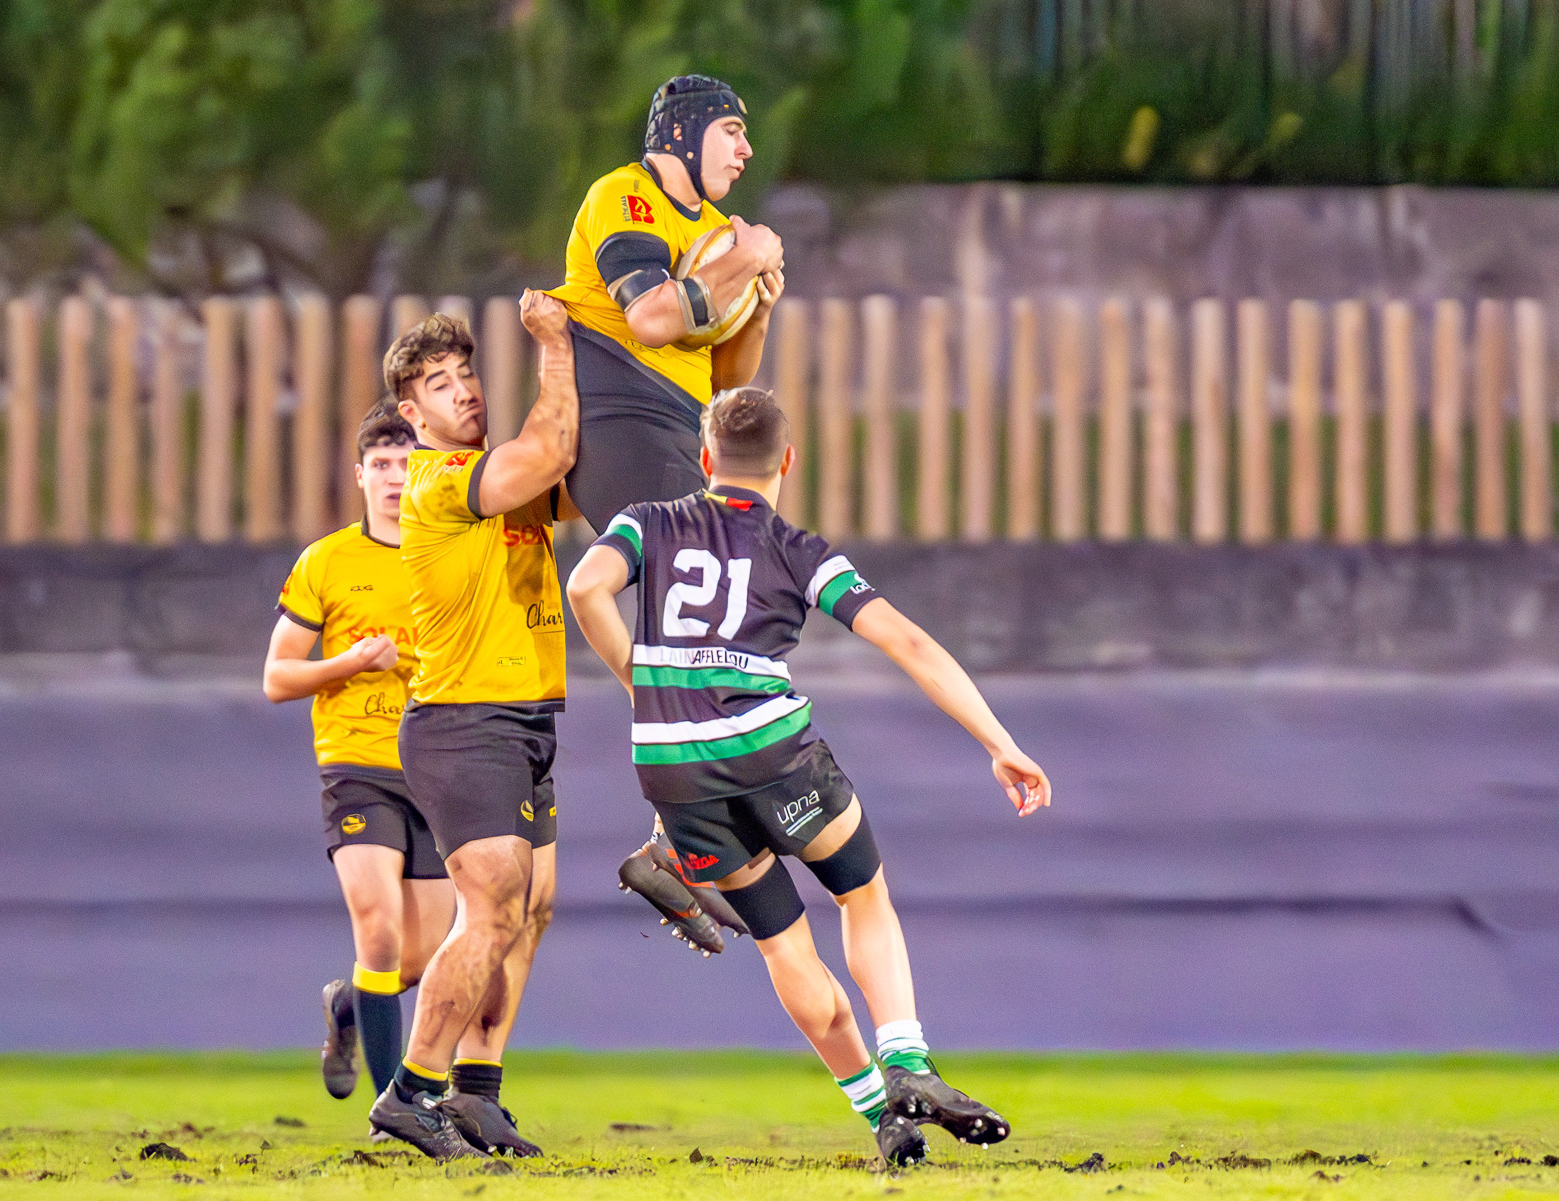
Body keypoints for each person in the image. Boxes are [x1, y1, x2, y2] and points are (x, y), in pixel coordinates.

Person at [565, 388, 1053, 1166]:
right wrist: (999, 741)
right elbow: (909, 643)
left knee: (784, 946)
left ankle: (878, 1115)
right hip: (772, 754)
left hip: (672, 770)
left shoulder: (646, 523)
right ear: (788, 461)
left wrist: (641, 682)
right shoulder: (798, 548)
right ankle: (908, 1064)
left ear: (704, 460)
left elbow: (585, 587)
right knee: (862, 893)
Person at [546, 73, 788, 953]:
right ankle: (682, 837)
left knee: (725, 632)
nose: (745, 150)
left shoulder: (722, 235)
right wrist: (726, 268)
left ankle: (673, 845)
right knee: (710, 634)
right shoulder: (627, 196)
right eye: (731, 129)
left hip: (682, 430)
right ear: (682, 136)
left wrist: (757, 293)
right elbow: (650, 317)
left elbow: (731, 378)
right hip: (618, 414)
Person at [364, 294, 578, 1161]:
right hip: (462, 719)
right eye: (441, 386)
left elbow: (575, 464)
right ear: (411, 416)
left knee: (531, 909)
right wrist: (558, 344)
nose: (465, 393)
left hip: (522, 716)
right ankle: (410, 1093)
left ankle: (475, 1092)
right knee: (490, 909)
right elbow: (555, 446)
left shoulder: (498, 471)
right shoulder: (441, 481)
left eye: (467, 377)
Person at [264, 405, 455, 1118]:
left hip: (433, 768)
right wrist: (348, 660)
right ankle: (393, 1113)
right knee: (375, 929)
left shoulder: (446, 555)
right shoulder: (327, 560)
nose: (393, 478)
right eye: (380, 465)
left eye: (406, 464)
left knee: (422, 958)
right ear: (360, 475)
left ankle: (346, 1006)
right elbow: (276, 677)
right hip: (355, 765)